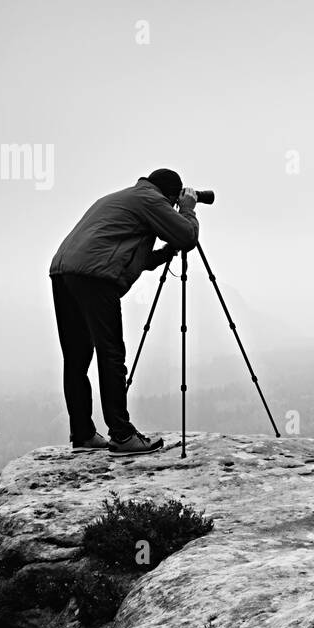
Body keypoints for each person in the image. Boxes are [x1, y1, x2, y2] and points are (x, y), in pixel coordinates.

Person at [48, 168, 199, 454]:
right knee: (111, 354)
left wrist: (167, 251)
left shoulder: (127, 198)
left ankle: (83, 435)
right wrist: (188, 210)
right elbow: (188, 235)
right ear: (170, 196)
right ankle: (121, 434)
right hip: (95, 277)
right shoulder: (152, 201)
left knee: (77, 358)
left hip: (64, 271)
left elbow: (137, 258)